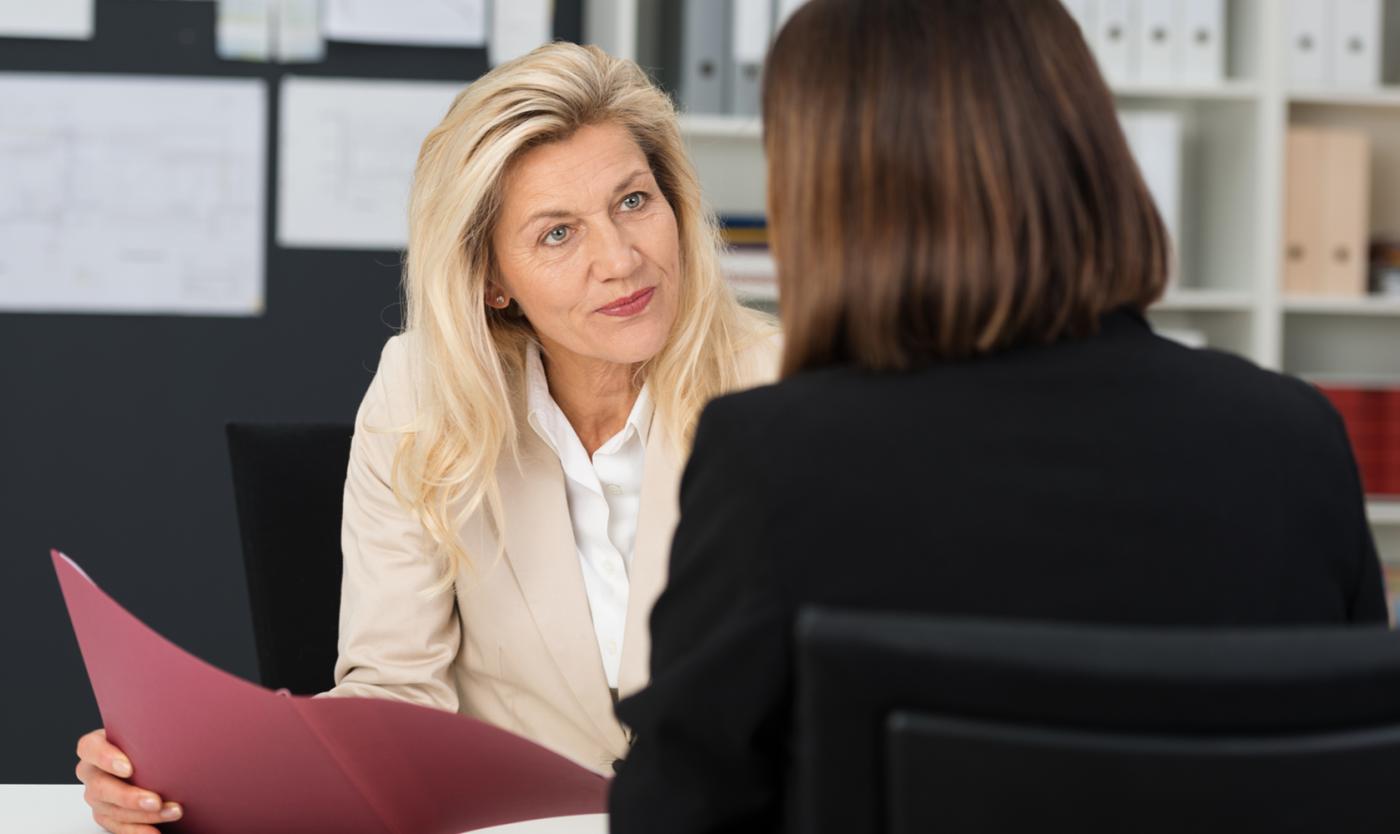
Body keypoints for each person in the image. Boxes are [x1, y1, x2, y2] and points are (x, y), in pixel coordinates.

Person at [608, 1, 1390, 830]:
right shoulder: (1296, 440)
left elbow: (674, 814)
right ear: (1092, 153)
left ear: (820, 194)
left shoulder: (771, 463)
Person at [73, 42, 778, 834]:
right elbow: (393, 702)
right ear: (492, 279)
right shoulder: (421, 394)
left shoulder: (789, 389)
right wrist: (177, 779)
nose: (620, 259)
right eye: (557, 234)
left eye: (633, 201)